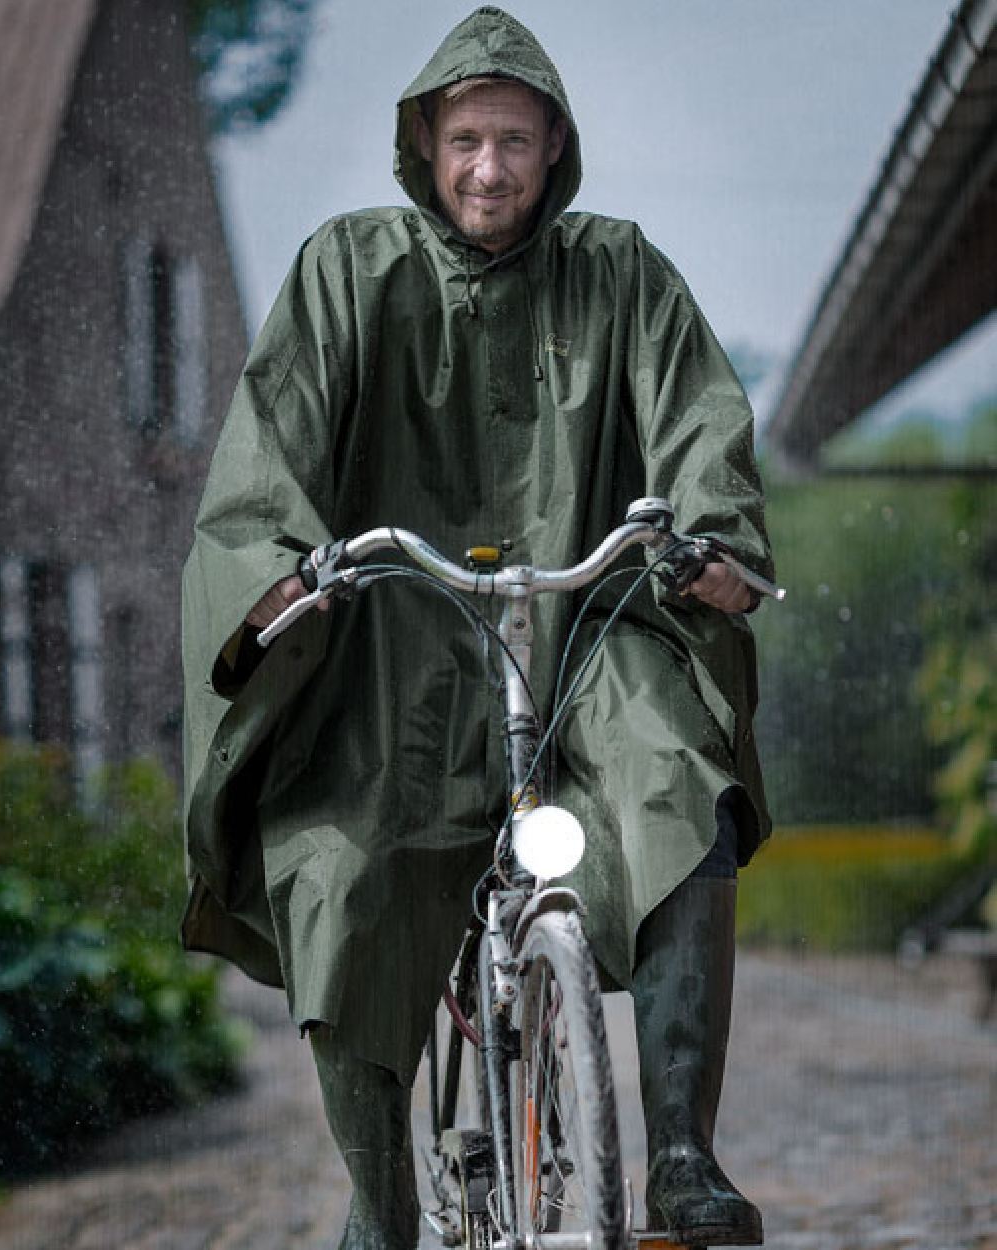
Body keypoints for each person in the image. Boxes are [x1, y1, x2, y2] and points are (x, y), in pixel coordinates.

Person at [181, 8, 775, 1248]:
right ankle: (383, 1201)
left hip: (589, 624)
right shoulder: (350, 268)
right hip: (394, 638)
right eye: (465, 142)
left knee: (678, 778)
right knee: (339, 859)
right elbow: (268, 448)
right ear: (425, 145)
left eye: (513, 141)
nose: (488, 170)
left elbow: (698, 430)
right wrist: (274, 573)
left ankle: (676, 1154)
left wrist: (709, 544)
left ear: (555, 147)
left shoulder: (621, 272)